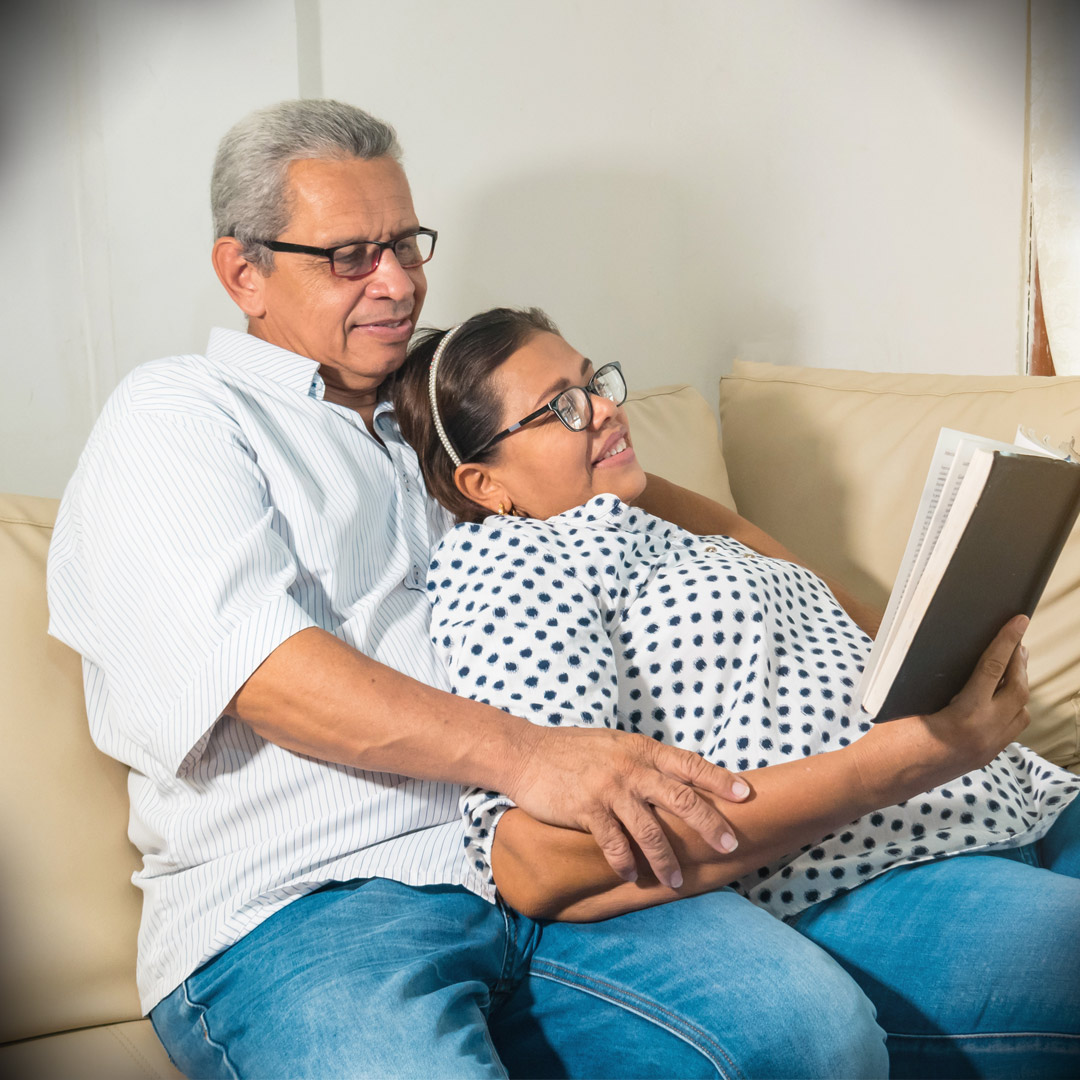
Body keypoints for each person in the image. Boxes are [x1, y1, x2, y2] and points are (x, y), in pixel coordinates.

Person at [46, 99, 898, 1079]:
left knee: (815, 1033)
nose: (398, 282)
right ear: (245, 271)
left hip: (532, 874)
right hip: (303, 908)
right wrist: (535, 757)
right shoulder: (178, 415)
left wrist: (852, 609)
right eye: (351, 256)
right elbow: (262, 672)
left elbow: (629, 494)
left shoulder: (441, 417)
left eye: (407, 243)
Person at [390, 306, 1080, 1078]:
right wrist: (894, 767)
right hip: (870, 869)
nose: (607, 408)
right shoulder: (510, 564)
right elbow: (546, 861)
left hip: (1020, 792)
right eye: (563, 407)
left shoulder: (654, 520)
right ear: (483, 483)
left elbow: (868, 633)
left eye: (596, 383)